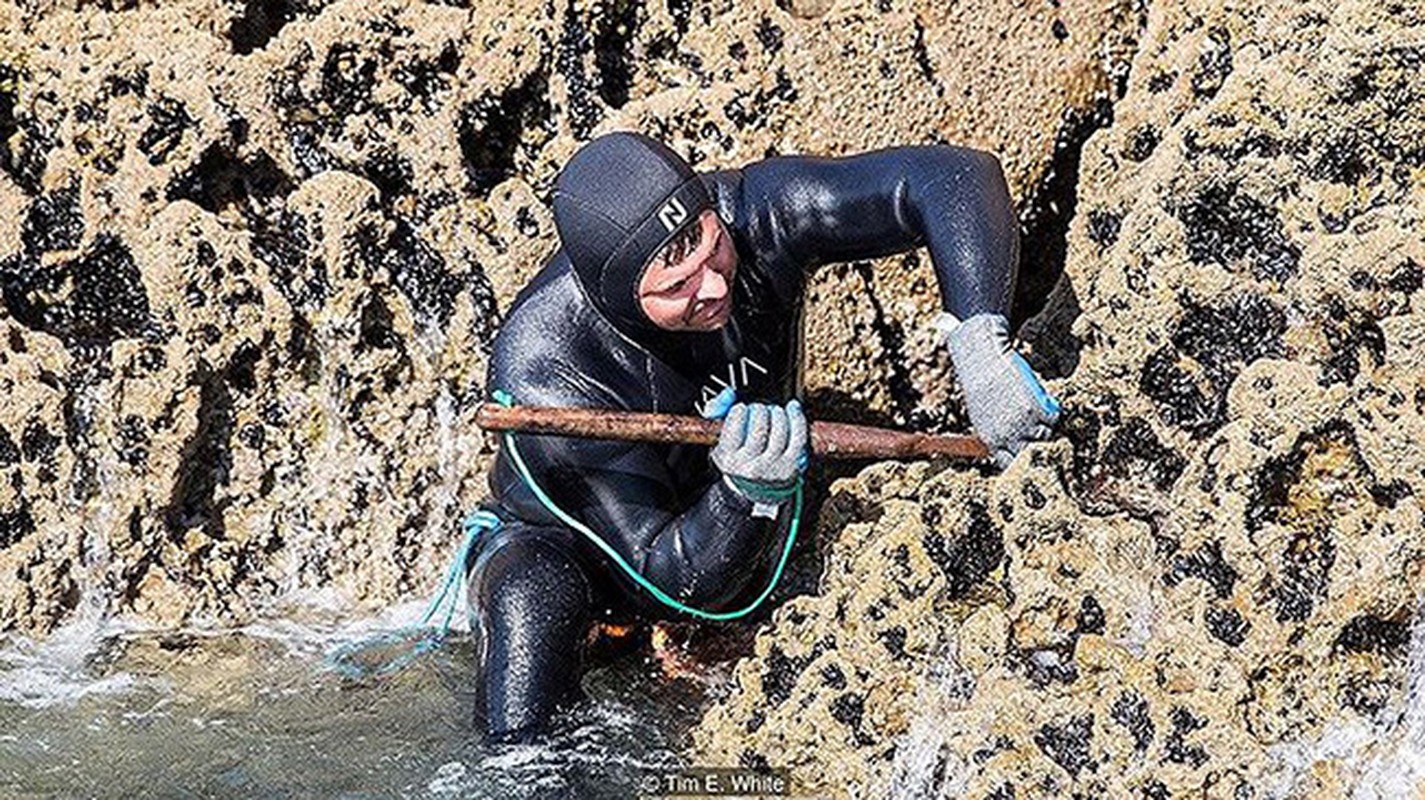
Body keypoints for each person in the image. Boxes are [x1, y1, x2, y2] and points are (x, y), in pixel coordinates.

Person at [467, 131, 1061, 743]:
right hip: (602, 557)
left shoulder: (752, 212)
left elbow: (953, 176)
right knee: (530, 592)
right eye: (677, 288)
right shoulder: (546, 365)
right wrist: (745, 492)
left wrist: (979, 339)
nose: (716, 287)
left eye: (711, 248)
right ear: (619, 296)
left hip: (757, 512)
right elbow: (667, 586)